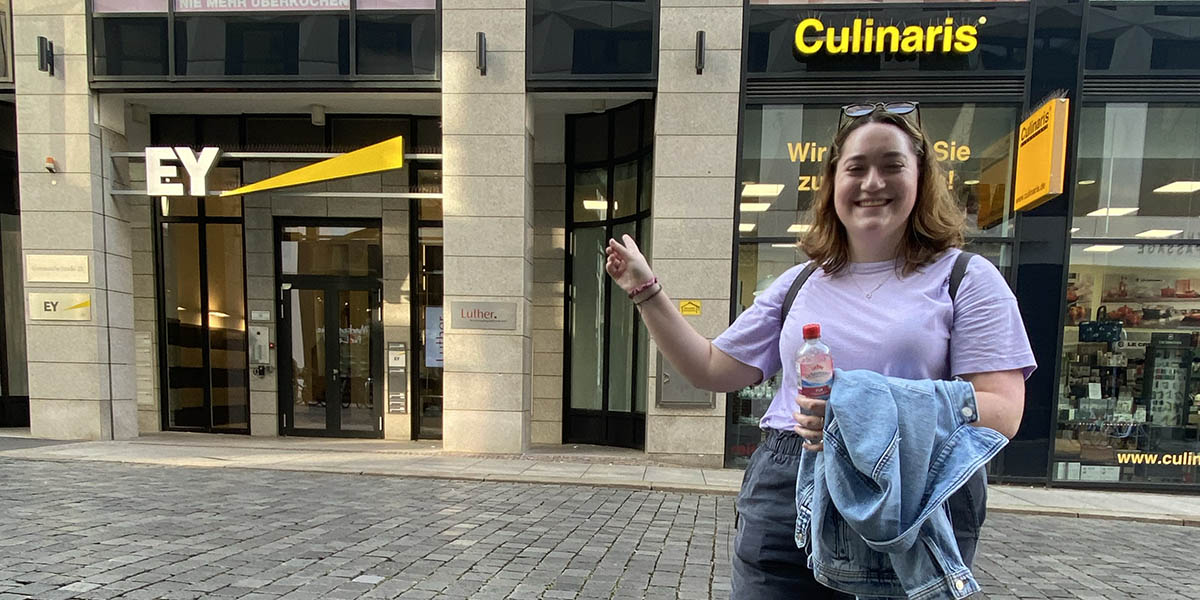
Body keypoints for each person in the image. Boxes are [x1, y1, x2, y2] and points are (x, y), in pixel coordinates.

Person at [604, 101, 1036, 599]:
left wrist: (851, 403)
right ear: (834, 183)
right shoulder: (800, 282)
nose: (873, 182)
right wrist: (646, 291)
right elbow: (709, 367)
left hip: (908, 492)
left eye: (892, 165)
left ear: (921, 178)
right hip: (787, 482)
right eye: (856, 167)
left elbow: (1002, 412)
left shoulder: (967, 279)